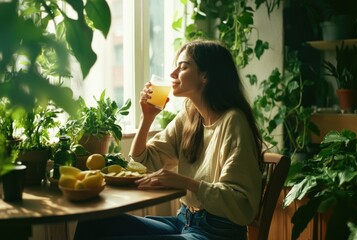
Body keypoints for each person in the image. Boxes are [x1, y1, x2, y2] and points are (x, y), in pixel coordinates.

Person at [74, 39, 263, 240]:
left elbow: (242, 203)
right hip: (184, 221)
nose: (173, 74)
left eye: (183, 67)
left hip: (218, 232)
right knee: (92, 222)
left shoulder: (233, 121)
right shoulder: (189, 117)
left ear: (205, 75)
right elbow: (142, 164)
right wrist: (147, 118)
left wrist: (185, 182)